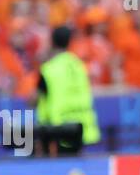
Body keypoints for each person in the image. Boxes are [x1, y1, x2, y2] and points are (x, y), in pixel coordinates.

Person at [35, 25, 100, 157]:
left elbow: (34, 98)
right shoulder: (79, 65)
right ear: (70, 42)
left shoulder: (49, 69)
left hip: (59, 128)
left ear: (52, 42)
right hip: (82, 125)